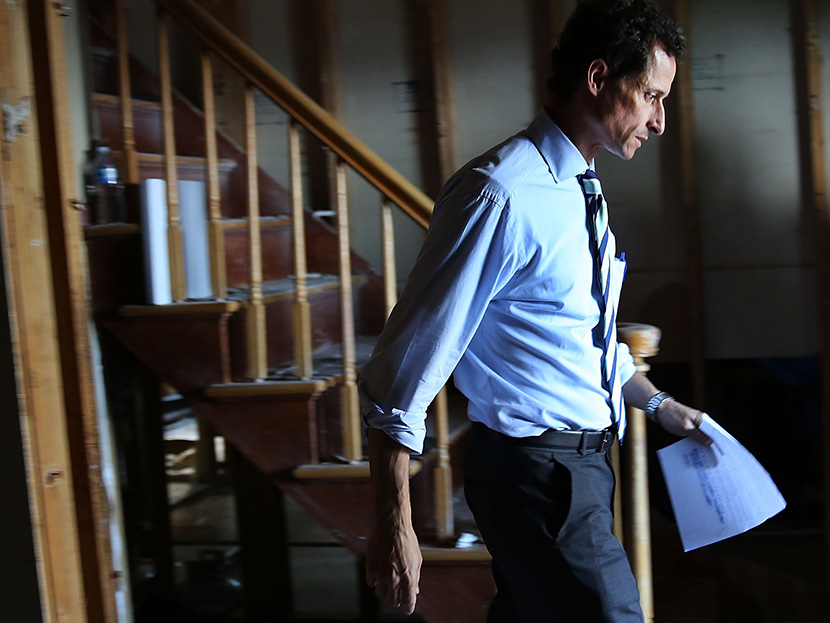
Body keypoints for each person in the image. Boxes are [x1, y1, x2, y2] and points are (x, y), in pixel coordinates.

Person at [358, 1, 713, 621]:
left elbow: (578, 342)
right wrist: (395, 519)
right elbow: (406, 362)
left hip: (579, 467)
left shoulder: (580, 189)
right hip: (538, 474)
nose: (659, 121)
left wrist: (661, 406)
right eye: (652, 96)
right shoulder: (502, 193)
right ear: (598, 78)